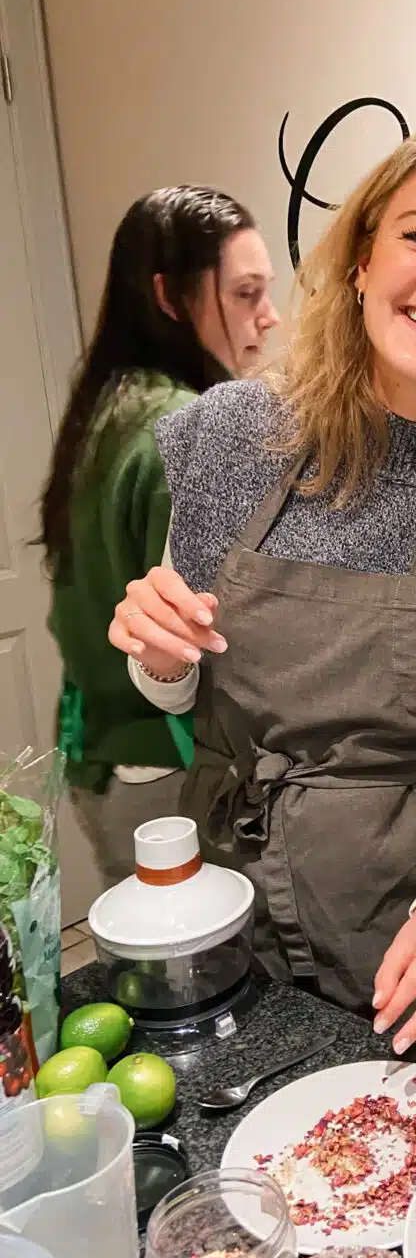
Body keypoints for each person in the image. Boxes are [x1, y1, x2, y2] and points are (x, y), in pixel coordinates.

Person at [108, 122, 416, 1090]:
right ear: (364, 259)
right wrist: (155, 653)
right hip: (225, 922)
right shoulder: (228, 437)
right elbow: (175, 684)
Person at [42, 186, 278, 888]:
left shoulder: (107, 408)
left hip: (101, 759)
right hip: (170, 776)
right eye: (245, 294)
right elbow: (213, 645)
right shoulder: (186, 431)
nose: (269, 316)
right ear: (170, 297)